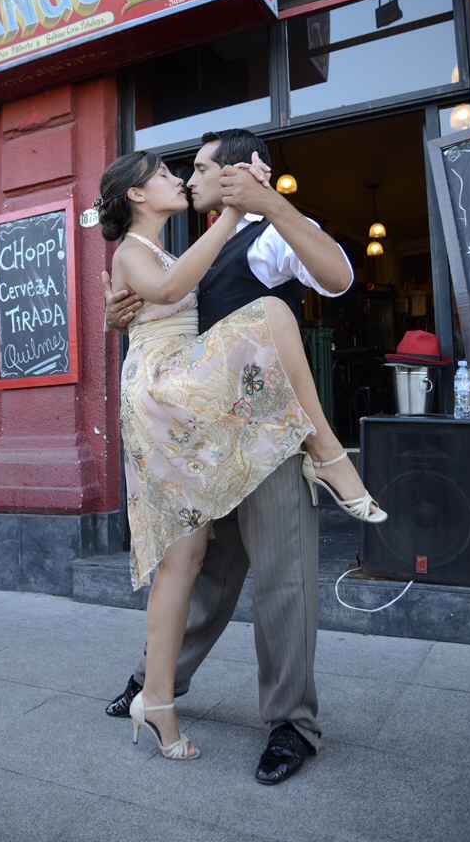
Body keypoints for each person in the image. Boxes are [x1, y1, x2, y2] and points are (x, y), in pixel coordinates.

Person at [100, 132, 383, 772]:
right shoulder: (179, 246)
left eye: (198, 168)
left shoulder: (268, 233)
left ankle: (292, 725)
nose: (189, 177)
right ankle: (156, 682)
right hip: (201, 441)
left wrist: (274, 205)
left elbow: (338, 277)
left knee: (284, 582)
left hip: (271, 439)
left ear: (230, 175)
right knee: (204, 575)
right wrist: (121, 313)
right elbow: (164, 303)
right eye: (182, 171)